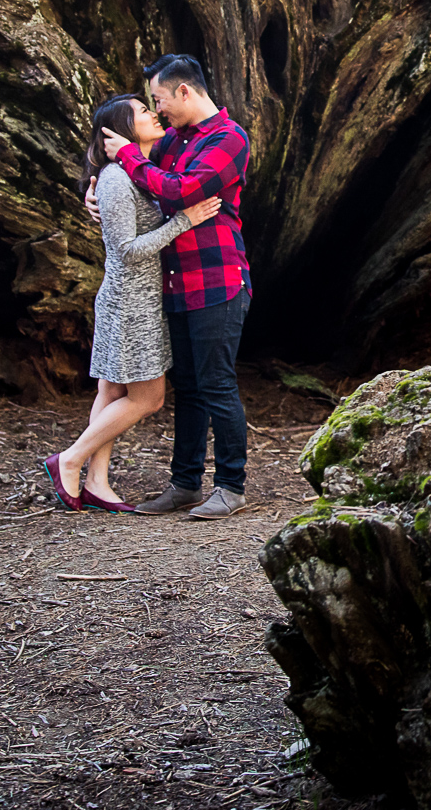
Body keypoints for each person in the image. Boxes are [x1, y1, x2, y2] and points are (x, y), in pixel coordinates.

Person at [85, 54, 253, 519]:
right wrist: (98, 188)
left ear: (184, 91)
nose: (157, 112)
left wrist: (129, 157)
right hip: (176, 285)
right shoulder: (173, 140)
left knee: (217, 383)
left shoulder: (228, 138)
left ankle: (231, 486)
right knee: (190, 388)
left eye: (159, 100)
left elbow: (181, 191)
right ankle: (185, 484)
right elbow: (135, 185)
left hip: (218, 280)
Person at [45, 95, 221, 512]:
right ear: (122, 128)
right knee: (148, 398)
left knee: (111, 390)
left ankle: (96, 482)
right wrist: (185, 221)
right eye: (143, 111)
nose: (154, 114)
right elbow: (126, 251)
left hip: (140, 298)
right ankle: (68, 460)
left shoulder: (139, 172)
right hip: (131, 302)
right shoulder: (115, 179)